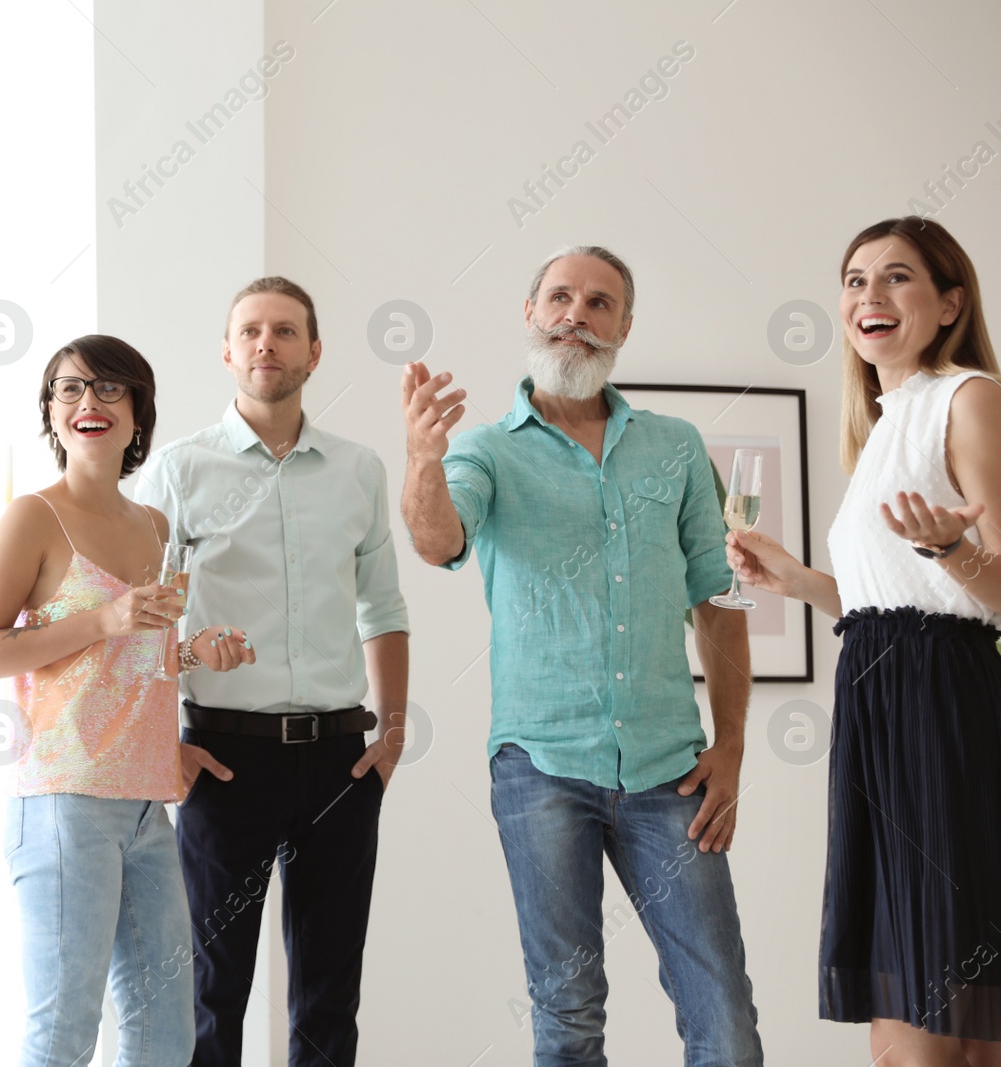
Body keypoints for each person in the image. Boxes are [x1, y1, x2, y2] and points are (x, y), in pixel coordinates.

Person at [400, 245, 764, 1065]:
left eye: (600, 302)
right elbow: (436, 539)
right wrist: (423, 459)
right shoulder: (487, 448)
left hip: (673, 771)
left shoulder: (674, 447)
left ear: (624, 327)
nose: (577, 313)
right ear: (531, 314)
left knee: (725, 1013)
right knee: (567, 1014)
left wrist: (732, 744)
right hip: (542, 767)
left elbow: (718, 597)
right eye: (560, 296)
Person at [727, 217, 1001, 1066]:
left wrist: (955, 549)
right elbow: (893, 598)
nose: (867, 297)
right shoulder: (885, 424)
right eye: (853, 280)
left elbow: (988, 587)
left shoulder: (969, 396)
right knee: (906, 1014)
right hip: (878, 700)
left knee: (942, 1014)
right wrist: (798, 579)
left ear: (950, 301)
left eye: (895, 278)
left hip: (941, 707)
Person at [0, 334, 255, 1067]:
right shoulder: (33, 517)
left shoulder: (153, 526)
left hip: (148, 805)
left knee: (164, 1037)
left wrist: (193, 650)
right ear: (53, 416)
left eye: (108, 388)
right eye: (69, 389)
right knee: (63, 1031)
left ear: (137, 412)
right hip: (64, 803)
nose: (88, 402)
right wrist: (104, 618)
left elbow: (131, 657)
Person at [133, 276, 410, 1067]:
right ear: (227, 352)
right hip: (224, 758)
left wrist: (390, 736)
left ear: (313, 352)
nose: (267, 343)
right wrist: (165, 745)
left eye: (285, 331)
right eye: (251, 331)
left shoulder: (358, 470)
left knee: (329, 991)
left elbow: (383, 610)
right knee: (210, 989)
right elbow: (142, 622)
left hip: (339, 761)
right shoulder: (181, 470)